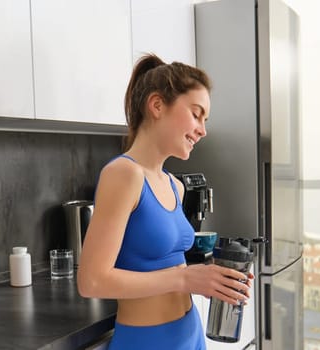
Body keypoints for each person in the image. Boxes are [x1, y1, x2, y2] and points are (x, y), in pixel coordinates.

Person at [77, 54, 253, 350]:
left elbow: (173, 266)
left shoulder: (175, 185)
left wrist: (214, 279)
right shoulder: (123, 174)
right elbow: (92, 281)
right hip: (147, 342)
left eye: (205, 120)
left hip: (190, 334)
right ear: (157, 105)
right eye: (196, 114)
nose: (202, 129)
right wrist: (185, 279)